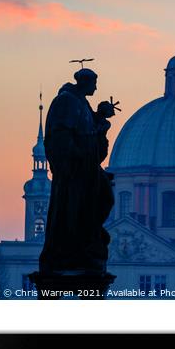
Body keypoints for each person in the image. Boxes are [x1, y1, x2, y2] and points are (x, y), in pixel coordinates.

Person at [39, 67, 116, 275]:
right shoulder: (66, 101)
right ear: (85, 82)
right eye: (94, 83)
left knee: (104, 198)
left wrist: (101, 118)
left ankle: (87, 241)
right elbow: (60, 136)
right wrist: (73, 160)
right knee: (77, 208)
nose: (97, 87)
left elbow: (92, 138)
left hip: (87, 167)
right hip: (74, 170)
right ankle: (77, 248)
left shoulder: (82, 103)